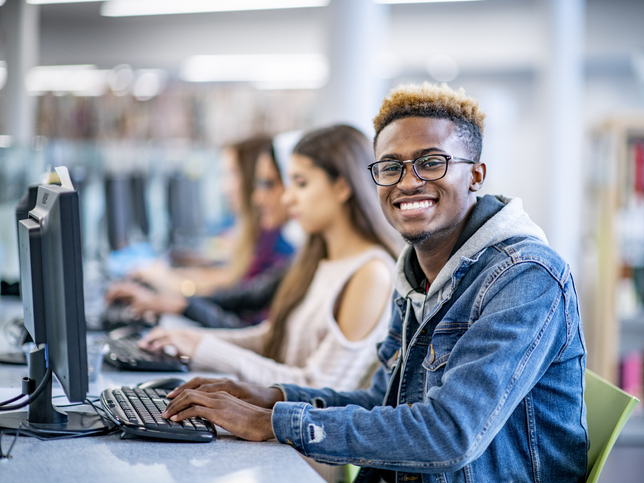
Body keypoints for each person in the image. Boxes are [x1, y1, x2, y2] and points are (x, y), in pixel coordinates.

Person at [160, 83, 589, 483]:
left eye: (431, 162)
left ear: (476, 175)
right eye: (390, 166)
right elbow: (386, 404)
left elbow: (449, 434)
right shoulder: (417, 275)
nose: (407, 181)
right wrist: (266, 397)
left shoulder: (526, 277)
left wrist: (272, 422)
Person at [134, 124, 401, 394]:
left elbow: (319, 388)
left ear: (343, 186)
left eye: (301, 183)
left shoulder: (371, 272)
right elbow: (272, 338)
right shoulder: (321, 260)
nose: (288, 197)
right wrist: (193, 340)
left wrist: (202, 348)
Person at [107, 135, 296, 328]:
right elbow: (235, 293)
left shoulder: (278, 247)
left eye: (231, 174)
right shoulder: (269, 241)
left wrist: (174, 289)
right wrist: (173, 295)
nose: (224, 186)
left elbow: (238, 303)